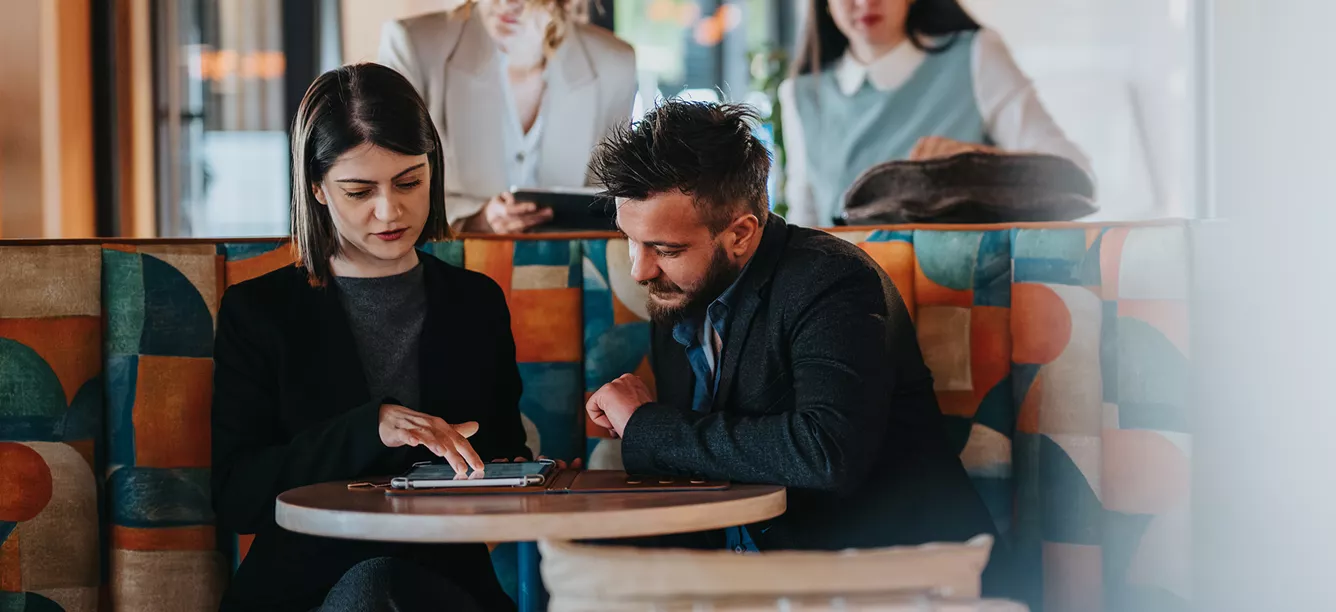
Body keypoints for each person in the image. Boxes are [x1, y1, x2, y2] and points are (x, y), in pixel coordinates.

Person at [583, 99, 995, 551]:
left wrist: (647, 425)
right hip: (760, 577)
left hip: (896, 573)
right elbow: (698, 474)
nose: (640, 271)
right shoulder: (679, 294)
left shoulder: (831, 280)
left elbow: (827, 452)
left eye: (666, 249)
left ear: (740, 234)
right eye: (632, 242)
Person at [210, 63, 526, 612]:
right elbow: (240, 496)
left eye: (409, 182)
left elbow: (498, 453)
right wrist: (370, 429)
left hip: (444, 583)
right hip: (305, 590)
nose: (391, 210)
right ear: (317, 188)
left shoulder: (476, 302)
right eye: (359, 191)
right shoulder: (260, 312)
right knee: (372, 590)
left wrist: (527, 472)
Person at [779, 0, 1091, 227]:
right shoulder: (801, 96)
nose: (865, 2)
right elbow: (804, 224)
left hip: (968, 299)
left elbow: (1074, 175)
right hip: (843, 306)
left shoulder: (975, 56)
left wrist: (976, 160)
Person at [379, 0, 645, 233]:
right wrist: (475, 219)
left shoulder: (614, 63)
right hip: (453, 263)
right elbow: (391, 186)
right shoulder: (413, 47)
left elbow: (608, 203)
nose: (506, 2)